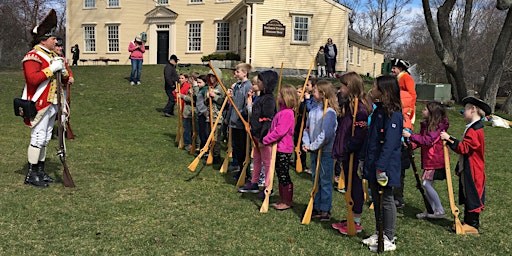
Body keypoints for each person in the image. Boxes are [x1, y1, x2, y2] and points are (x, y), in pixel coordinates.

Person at [20, 9, 67, 187]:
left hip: (52, 102)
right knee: (38, 137)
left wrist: (62, 72)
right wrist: (51, 69)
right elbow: (32, 79)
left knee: (46, 137)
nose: (56, 41)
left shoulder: (52, 55)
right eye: (53, 38)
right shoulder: (33, 56)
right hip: (39, 101)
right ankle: (32, 174)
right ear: (44, 40)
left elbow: (60, 79)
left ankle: (40, 170)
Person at [361, 75, 403, 252]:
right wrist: (363, 159)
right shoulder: (378, 111)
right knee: (376, 199)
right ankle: (379, 231)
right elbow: (371, 138)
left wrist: (381, 167)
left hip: (385, 165)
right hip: (372, 161)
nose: (373, 88)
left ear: (384, 90)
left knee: (386, 199)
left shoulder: (394, 115)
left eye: (376, 86)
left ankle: (389, 236)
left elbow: (390, 143)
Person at [440, 96, 491, 231]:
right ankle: (468, 221)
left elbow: (464, 148)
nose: (463, 112)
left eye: (465, 109)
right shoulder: (472, 127)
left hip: (473, 169)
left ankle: (472, 224)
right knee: (468, 193)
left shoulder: (475, 129)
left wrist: (449, 139)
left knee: (472, 194)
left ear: (473, 109)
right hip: (468, 166)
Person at [331, 72, 371, 234]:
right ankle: (350, 217)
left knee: (354, 186)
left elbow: (360, 133)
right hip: (345, 153)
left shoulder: (360, 108)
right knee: (348, 185)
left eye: (342, 87)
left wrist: (348, 147)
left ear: (350, 87)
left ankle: (356, 220)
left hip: (353, 153)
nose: (340, 90)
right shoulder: (348, 106)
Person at [403, 101, 449, 219]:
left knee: (426, 184)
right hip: (429, 160)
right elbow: (422, 141)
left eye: (425, 109)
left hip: (435, 160)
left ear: (432, 113)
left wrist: (411, 136)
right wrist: (411, 145)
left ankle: (439, 209)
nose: (422, 111)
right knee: (428, 184)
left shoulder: (437, 127)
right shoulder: (428, 126)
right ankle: (430, 209)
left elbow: (428, 141)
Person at [302, 80, 340, 221]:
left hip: (325, 152)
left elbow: (326, 135)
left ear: (323, 94)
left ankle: (325, 209)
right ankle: (316, 206)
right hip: (313, 150)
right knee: (315, 179)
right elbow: (307, 129)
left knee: (325, 180)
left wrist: (314, 146)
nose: (313, 92)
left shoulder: (329, 113)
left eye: (316, 90)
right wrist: (306, 143)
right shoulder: (313, 111)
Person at [238, 70, 277, 197]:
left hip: (264, 137)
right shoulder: (261, 97)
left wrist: (263, 138)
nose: (257, 83)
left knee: (267, 162)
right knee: (257, 160)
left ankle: (268, 186)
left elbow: (267, 120)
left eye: (260, 82)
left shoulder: (269, 100)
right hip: (256, 134)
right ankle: (254, 182)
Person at [262, 85, 298, 210]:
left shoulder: (288, 113)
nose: (278, 97)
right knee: (278, 172)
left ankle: (287, 200)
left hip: (284, 148)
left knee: (283, 174)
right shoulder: (281, 112)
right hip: (277, 148)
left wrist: (266, 140)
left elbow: (280, 131)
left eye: (280, 95)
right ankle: (282, 198)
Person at [391, 58, 417, 208]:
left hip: (405, 111)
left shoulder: (406, 78)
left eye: (395, 68)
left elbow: (412, 96)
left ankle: (398, 196)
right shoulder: (398, 79)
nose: (393, 70)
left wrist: (408, 111)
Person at [227, 63, 252, 180]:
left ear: (244, 73)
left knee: (243, 148)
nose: (235, 74)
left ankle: (245, 172)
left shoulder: (248, 86)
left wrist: (242, 116)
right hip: (234, 120)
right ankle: (240, 169)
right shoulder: (237, 86)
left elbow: (246, 104)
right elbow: (234, 103)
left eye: (238, 72)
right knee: (237, 147)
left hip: (242, 122)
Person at [54, 38, 76, 140]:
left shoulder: (62, 58)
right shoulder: (51, 58)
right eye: (58, 46)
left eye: (61, 46)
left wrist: (71, 77)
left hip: (64, 87)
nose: (60, 48)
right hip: (54, 89)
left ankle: (64, 130)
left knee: (65, 110)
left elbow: (68, 70)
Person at [205, 67, 226, 165]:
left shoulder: (221, 88)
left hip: (217, 116)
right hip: (209, 116)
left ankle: (217, 156)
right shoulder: (210, 87)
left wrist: (215, 96)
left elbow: (224, 102)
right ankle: (211, 153)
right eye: (210, 77)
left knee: (216, 138)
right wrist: (207, 97)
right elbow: (206, 103)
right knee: (210, 136)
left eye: (214, 77)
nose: (212, 79)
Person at [176, 74, 192, 150]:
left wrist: (181, 95)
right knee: (184, 125)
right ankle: (184, 141)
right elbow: (176, 96)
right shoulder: (180, 86)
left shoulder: (188, 86)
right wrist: (175, 92)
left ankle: (187, 142)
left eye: (182, 78)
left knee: (187, 126)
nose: (180, 80)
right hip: (182, 107)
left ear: (186, 79)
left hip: (186, 107)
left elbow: (187, 97)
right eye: (180, 78)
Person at [195, 75, 209, 150]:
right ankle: (202, 148)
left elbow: (207, 101)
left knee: (204, 133)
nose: (198, 84)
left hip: (204, 113)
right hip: (200, 112)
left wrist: (205, 110)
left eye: (200, 82)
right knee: (201, 132)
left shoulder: (205, 90)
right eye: (197, 82)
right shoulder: (201, 90)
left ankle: (204, 149)